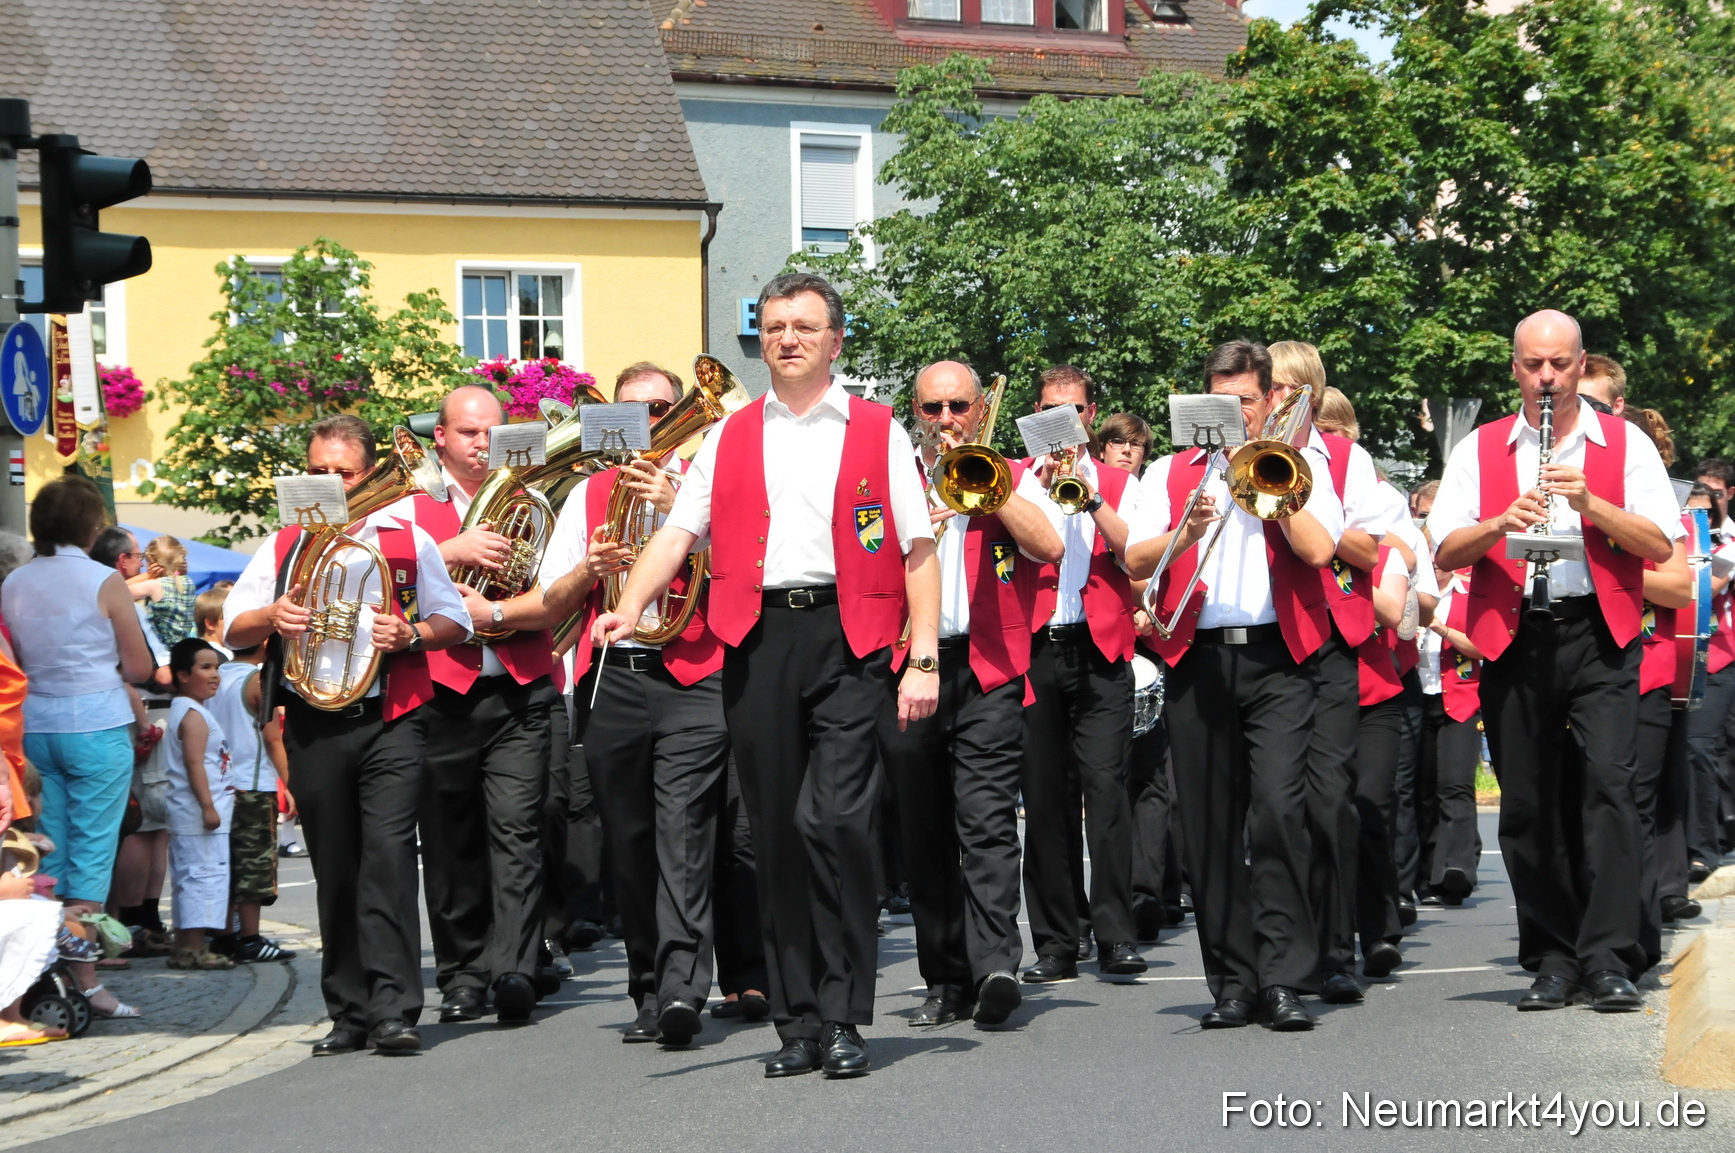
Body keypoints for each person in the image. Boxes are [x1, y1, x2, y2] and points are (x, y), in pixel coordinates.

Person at [595, 272, 939, 1079]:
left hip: (852, 641)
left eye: (804, 325)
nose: (787, 337)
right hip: (756, 642)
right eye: (775, 325)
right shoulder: (731, 432)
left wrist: (921, 654)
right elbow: (680, 531)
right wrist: (629, 604)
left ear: (834, 340)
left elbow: (917, 548)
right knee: (773, 835)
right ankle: (798, 1023)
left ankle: (848, 1013)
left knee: (836, 824)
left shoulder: (878, 428)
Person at [1430, 310, 1680, 1012]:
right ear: (1514, 366)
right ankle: (1551, 953)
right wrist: (1496, 523)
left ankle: (1607, 955)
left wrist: (1591, 502)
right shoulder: (1479, 449)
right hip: (1513, 633)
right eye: (1532, 364)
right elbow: (1444, 551)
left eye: (1559, 364)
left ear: (1579, 365)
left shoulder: (1622, 442)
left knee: (1607, 789)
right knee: (1529, 802)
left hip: (1598, 633)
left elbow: (1658, 545)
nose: (1546, 377)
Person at [225, 414, 472, 1055]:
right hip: (312, 720)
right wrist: (272, 616)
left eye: (344, 472)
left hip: (389, 718)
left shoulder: (404, 537)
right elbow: (232, 629)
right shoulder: (282, 543)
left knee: (387, 860)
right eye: (318, 472)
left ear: (368, 475)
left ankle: (395, 1009)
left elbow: (454, 621)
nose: (331, 483)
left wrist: (412, 634)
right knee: (335, 866)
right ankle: (349, 1010)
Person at [1126, 339, 1344, 1032]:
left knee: (1279, 813)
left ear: (1269, 400)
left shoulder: (1301, 463)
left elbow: (1318, 550)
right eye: (1218, 402)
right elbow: (1131, 563)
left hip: (1279, 660)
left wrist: (1267, 489)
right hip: (1196, 659)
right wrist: (1181, 533)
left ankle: (1283, 977)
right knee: (1208, 825)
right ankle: (1231, 980)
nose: (1231, 413)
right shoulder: (1169, 471)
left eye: (1242, 401)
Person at [541, 361, 745, 1046]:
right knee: (627, 842)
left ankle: (683, 986)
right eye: (631, 413)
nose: (648, 424)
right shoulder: (588, 492)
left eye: (661, 409)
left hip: (694, 675)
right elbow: (552, 599)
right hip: (617, 677)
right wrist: (588, 571)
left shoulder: (708, 485)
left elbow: (752, 570)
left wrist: (681, 512)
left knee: (683, 833)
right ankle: (647, 987)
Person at [877, 361, 1063, 1028]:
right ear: (916, 412)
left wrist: (987, 490)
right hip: (909, 665)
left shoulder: (1006, 471)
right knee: (922, 829)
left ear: (980, 407)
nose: (947, 419)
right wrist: (910, 526)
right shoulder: (894, 476)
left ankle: (994, 966)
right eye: (933, 408)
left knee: (984, 820)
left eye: (959, 405)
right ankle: (944, 978)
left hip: (987, 667)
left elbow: (1049, 545)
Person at [389, 384, 555, 1027]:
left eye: (491, 431)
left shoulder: (532, 499)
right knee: (451, 839)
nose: (482, 444)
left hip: (519, 685)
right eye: (467, 433)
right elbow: (384, 596)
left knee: (517, 829)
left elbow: (557, 583)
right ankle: (461, 974)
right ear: (440, 436)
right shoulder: (407, 513)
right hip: (440, 692)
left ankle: (514, 966)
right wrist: (447, 554)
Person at [1263, 345, 1406, 1005]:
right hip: (1265, 644)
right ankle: (1276, 955)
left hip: (1329, 643)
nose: (1272, 400)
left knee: (1329, 804)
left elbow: (1366, 548)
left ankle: (1334, 950)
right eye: (1266, 389)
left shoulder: (1346, 461)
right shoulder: (1236, 452)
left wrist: (1297, 496)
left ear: (1309, 398)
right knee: (1273, 808)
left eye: (1285, 390)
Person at [1, 476, 156, 1019]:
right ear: (92, 527)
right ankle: (87, 982)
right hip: (97, 721)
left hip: (35, 723)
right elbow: (139, 667)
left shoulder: (14, 582)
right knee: (92, 854)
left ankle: (36, 974)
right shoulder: (103, 579)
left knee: (44, 849)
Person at [1018, 365, 1148, 983]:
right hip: (1036, 650)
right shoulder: (1013, 481)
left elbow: (1138, 554)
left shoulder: (1123, 482)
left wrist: (1090, 496)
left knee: (1107, 794)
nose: (1058, 425)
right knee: (1045, 801)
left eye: (1069, 413)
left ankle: (1117, 934)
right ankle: (1056, 941)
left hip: (1101, 650)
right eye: (1047, 412)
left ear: (1090, 415)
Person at [206, 606, 297, 964]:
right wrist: (293, 785)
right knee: (255, 866)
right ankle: (250, 937)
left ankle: (225, 934)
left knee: (226, 862)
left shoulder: (217, 675)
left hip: (221, 783)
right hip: (253, 783)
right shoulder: (259, 681)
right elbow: (273, 739)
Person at [161, 638, 236, 971]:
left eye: (217, 667)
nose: (215, 675)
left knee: (193, 876)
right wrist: (208, 807)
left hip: (195, 814)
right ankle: (192, 948)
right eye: (205, 667)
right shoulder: (191, 715)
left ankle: (185, 945)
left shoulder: (193, 711)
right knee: (202, 878)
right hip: (198, 815)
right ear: (182, 675)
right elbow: (194, 764)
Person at [131, 536, 198, 649]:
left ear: (153, 564)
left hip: (163, 651)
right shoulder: (188, 582)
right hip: (185, 649)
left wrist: (147, 575)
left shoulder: (154, 585)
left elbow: (115, 591)